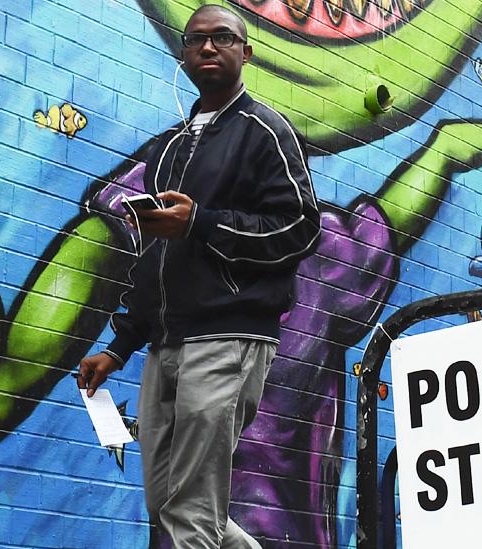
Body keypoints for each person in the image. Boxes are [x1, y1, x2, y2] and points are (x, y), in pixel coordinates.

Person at [77, 5, 321, 548]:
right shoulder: (167, 148)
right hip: (165, 344)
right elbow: (154, 262)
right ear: (183, 53)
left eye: (223, 38)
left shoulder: (266, 132)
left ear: (246, 53)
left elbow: (300, 229)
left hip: (227, 338)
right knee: (169, 506)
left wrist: (202, 222)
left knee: (189, 513)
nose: (209, 48)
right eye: (196, 40)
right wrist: (119, 347)